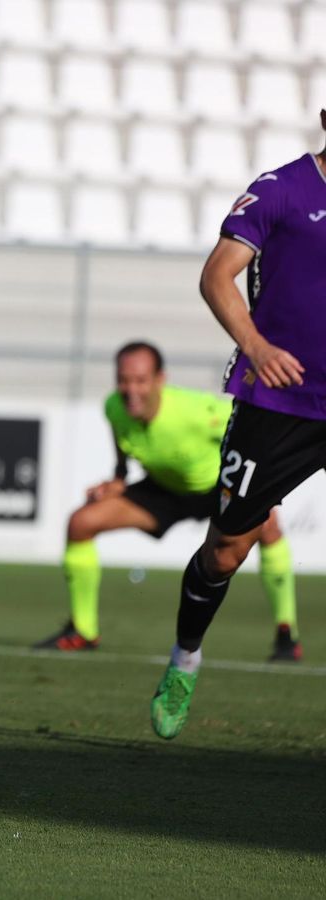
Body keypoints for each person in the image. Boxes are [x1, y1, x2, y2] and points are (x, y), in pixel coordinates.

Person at [151, 111, 326, 740]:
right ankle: (185, 658)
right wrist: (254, 346)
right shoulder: (282, 189)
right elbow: (216, 273)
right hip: (277, 402)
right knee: (227, 550)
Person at [35, 341, 298, 660]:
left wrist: (264, 482)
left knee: (268, 525)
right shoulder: (113, 407)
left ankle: (287, 635)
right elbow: (122, 448)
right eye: (124, 380)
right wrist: (117, 480)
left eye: (140, 380)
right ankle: (84, 631)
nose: (131, 389)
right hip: (164, 492)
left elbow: (247, 427)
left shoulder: (197, 411)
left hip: (216, 488)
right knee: (81, 523)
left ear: (160, 379)